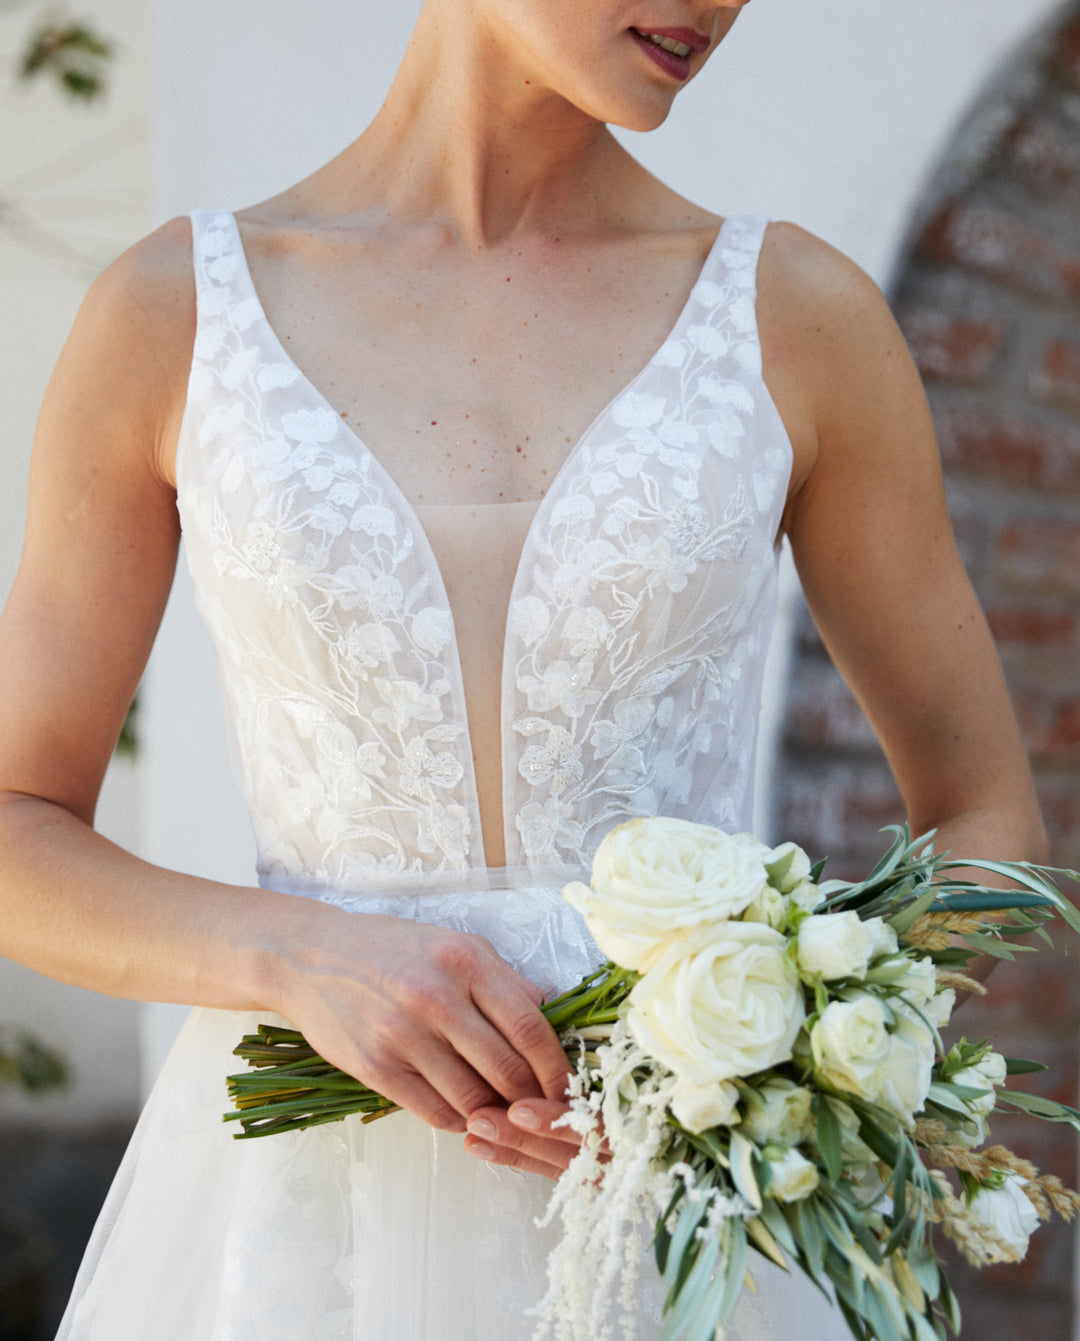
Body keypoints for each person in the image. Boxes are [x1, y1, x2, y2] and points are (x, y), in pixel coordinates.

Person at [0, 0, 1046, 1337]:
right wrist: (293, 954)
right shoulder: (171, 315)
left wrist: (757, 1046)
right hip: (301, 1238)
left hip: (673, 1230)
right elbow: (16, 824)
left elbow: (990, 820)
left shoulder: (799, 320)